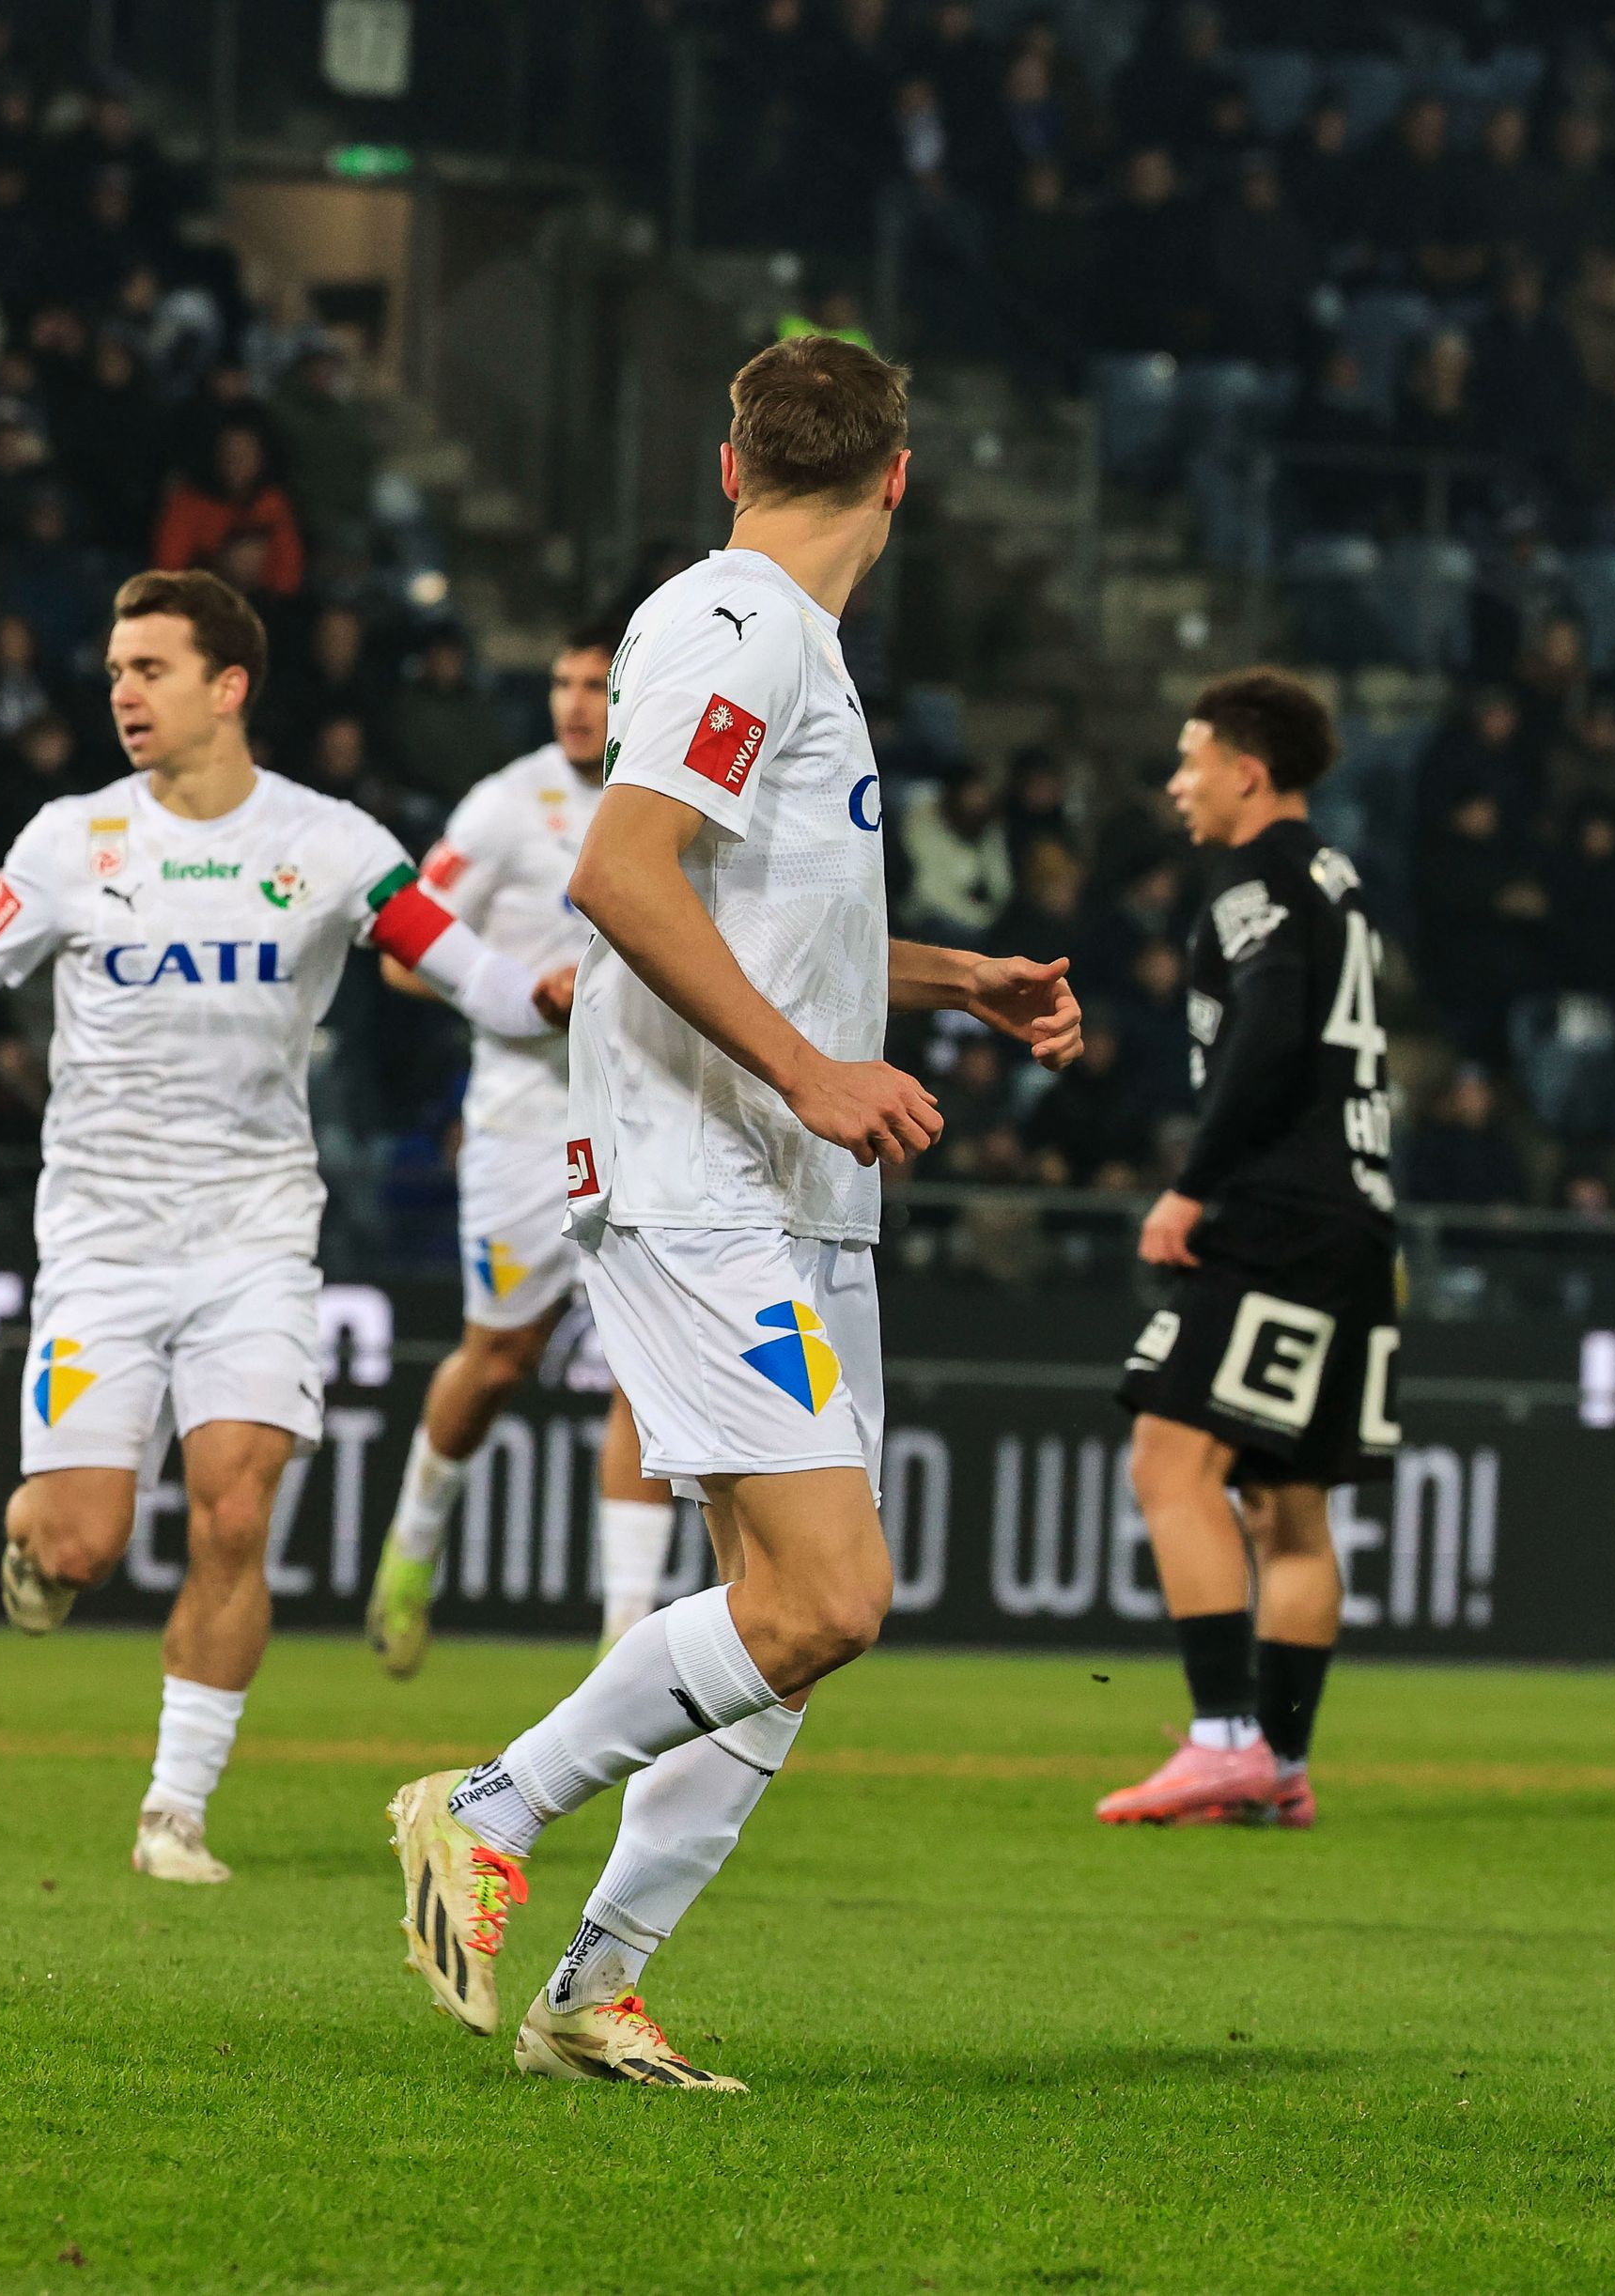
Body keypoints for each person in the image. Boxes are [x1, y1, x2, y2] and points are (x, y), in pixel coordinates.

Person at [382, 338, 1082, 2089]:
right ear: (901, 478)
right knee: (833, 1593)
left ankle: (597, 1983)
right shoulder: (741, 620)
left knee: (774, 1627)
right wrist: (813, 1067)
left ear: (728, 460)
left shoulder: (784, 641)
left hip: (791, 1185)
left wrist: (939, 981)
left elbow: (759, 916)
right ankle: (488, 1800)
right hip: (706, 1173)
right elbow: (621, 873)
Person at [0, 570, 567, 1883]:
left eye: (151, 669)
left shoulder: (334, 844)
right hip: (103, 1246)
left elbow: (478, 980)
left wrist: (588, 989)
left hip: (256, 1242)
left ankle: (173, 1811)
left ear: (228, 686)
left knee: (237, 1511)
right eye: (118, 670)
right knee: (83, 1535)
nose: (123, 692)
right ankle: (36, 1546)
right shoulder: (70, 841)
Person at [1095, 669, 1401, 1832]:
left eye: (1191, 759)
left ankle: (1224, 1736)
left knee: (1170, 1463)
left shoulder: (1253, 878)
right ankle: (1280, 1760)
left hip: (1276, 1214)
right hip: (1358, 1216)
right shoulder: (1340, 876)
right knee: (1289, 1507)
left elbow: (1268, 1028)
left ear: (1247, 771)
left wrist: (1192, 1183)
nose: (1179, 784)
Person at [364, 619, 680, 1674]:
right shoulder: (505, 804)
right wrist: (511, 994)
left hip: (644, 1113)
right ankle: (413, 1546)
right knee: (497, 1356)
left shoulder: (680, 796)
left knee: (647, 1366)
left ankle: (624, 1637)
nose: (576, 701)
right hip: (524, 1122)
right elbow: (404, 954)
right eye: (562, 680)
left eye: (596, 683)